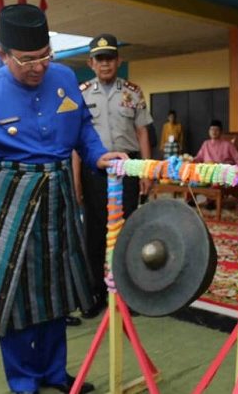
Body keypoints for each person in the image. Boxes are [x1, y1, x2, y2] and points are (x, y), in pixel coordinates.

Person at [0, 4, 125, 394]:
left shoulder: (65, 77)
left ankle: (54, 372)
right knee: (14, 295)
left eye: (44, 56)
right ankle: (23, 381)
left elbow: (83, 126)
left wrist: (98, 153)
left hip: (59, 193)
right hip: (11, 197)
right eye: (27, 60)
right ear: (2, 55)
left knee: (57, 288)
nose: (39, 67)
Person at [74, 33, 152, 319]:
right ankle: (96, 292)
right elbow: (75, 141)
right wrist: (77, 178)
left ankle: (128, 294)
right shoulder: (81, 93)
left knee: (127, 232)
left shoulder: (133, 91)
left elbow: (143, 131)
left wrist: (145, 169)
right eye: (99, 59)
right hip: (95, 172)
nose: (105, 64)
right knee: (94, 233)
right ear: (91, 63)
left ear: (118, 61)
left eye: (109, 58)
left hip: (128, 170)